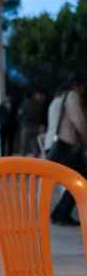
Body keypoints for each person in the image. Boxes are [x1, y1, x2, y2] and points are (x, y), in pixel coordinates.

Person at [44, 77, 87, 226]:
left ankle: (59, 213)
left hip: (53, 144)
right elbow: (79, 121)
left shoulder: (57, 97)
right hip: (65, 145)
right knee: (79, 178)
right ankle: (61, 213)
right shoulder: (72, 96)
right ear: (76, 85)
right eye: (82, 87)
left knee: (74, 179)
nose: (83, 91)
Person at [18, 89, 46, 157]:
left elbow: (19, 115)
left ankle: (20, 164)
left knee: (24, 147)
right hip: (36, 127)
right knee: (35, 147)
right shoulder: (39, 104)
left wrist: (21, 123)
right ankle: (34, 164)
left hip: (26, 127)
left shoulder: (24, 104)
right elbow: (42, 116)